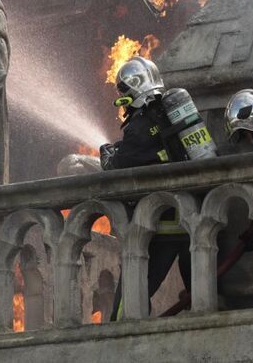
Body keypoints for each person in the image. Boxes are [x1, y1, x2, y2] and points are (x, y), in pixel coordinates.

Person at [100, 56, 191, 320]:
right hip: (193, 224)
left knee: (127, 305)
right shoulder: (172, 113)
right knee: (209, 295)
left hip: (160, 229)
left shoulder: (140, 126)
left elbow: (118, 167)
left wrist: (108, 156)